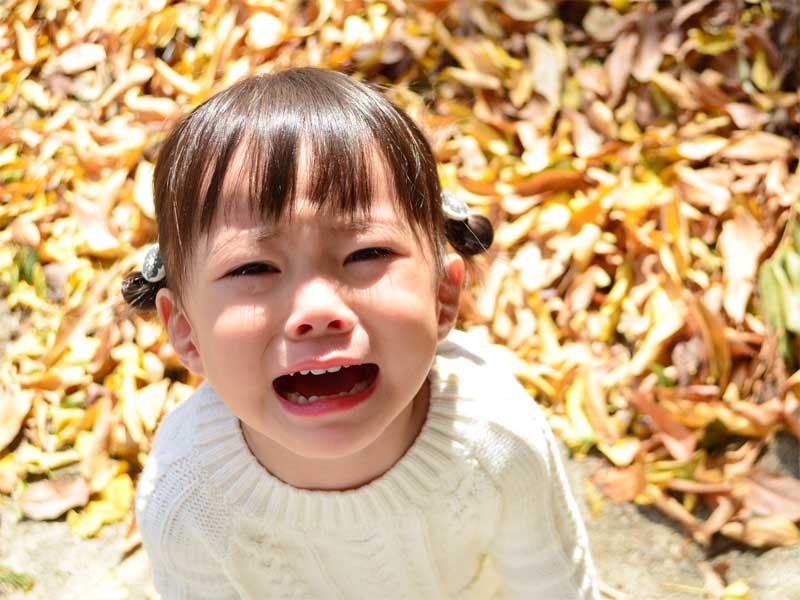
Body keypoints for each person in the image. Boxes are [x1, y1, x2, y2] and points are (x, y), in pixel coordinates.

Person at [123, 67, 599, 599]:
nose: (317, 309)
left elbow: (557, 586)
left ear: (443, 294)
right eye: (253, 269)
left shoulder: (498, 435)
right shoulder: (187, 495)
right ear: (185, 330)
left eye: (366, 253)